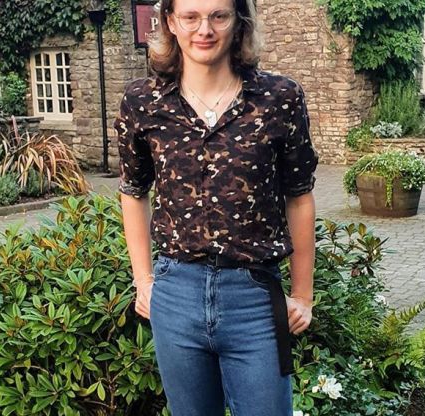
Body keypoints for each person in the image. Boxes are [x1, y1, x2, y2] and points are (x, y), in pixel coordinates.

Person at [115, 0, 319, 414]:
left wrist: (302, 294)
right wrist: (144, 280)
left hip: (254, 297)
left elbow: (299, 196)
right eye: (190, 17)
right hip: (177, 294)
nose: (204, 29)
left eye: (218, 16)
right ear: (170, 22)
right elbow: (133, 191)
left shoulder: (278, 99)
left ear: (238, 21)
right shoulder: (143, 102)